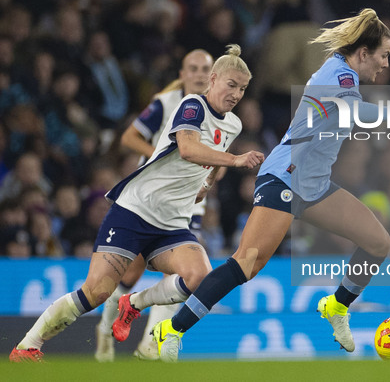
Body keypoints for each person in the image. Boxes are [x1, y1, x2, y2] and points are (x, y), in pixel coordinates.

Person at [146, 9, 390, 362]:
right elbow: (360, 116)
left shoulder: (344, 74)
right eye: (383, 55)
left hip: (314, 186)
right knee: (246, 265)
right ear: (363, 54)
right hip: (284, 177)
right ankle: (171, 330)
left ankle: (336, 306)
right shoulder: (339, 76)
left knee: (378, 242)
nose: (386, 63)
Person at [9, 45, 264, 362]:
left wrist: (206, 184)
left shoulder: (233, 125)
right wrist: (235, 159)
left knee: (200, 275)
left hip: (172, 223)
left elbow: (208, 166)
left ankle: (134, 304)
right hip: (135, 211)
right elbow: (186, 148)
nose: (237, 93)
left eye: (242, 88)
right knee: (97, 292)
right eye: (231, 84)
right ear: (213, 80)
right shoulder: (192, 105)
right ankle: (28, 345)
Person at [94, 49, 214, 362]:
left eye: (206, 69)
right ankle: (105, 331)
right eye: (194, 68)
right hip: (149, 201)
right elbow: (129, 137)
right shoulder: (167, 103)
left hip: (187, 205)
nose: (200, 74)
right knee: (129, 274)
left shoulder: (221, 113)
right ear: (183, 73)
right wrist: (161, 155)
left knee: (182, 276)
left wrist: (210, 179)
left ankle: (150, 347)